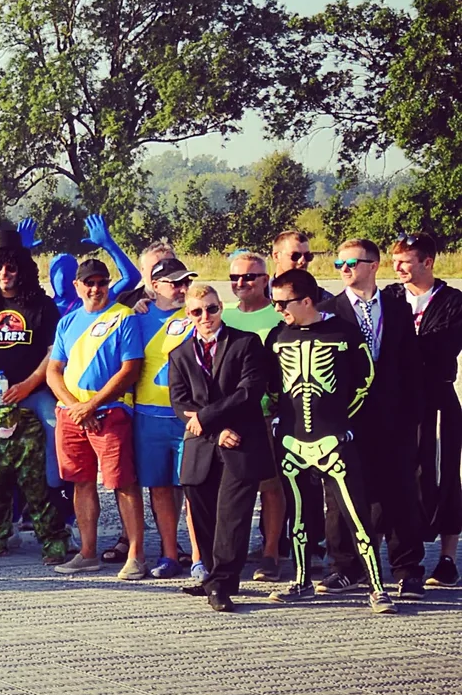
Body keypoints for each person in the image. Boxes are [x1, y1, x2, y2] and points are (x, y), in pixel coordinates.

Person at [264, 266, 393, 613]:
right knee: (299, 516)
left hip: (334, 440)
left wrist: (344, 425)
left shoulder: (344, 333)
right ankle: (301, 580)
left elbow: (365, 381)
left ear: (307, 300)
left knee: (356, 513)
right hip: (293, 441)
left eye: (283, 303)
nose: (278, 310)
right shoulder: (277, 338)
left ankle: (378, 587)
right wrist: (277, 420)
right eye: (273, 303)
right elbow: (272, 387)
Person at [323, 238, 424, 594]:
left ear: (373, 265)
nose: (345, 269)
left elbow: (410, 364)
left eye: (352, 263)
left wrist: (413, 415)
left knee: (400, 491)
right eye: (339, 264)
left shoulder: (397, 308)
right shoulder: (329, 310)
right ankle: (347, 567)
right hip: (346, 420)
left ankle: (407, 568)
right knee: (341, 495)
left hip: (394, 418)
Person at [167, 281, 268, 611]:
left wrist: (210, 418)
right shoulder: (180, 354)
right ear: (188, 314)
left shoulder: (246, 343)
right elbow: (180, 403)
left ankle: (222, 584)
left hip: (240, 442)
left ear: (220, 308)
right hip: (203, 446)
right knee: (203, 514)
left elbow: (248, 391)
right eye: (197, 311)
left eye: (211, 308)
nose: (205, 316)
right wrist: (214, 431)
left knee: (233, 517)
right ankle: (213, 574)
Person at [44, 258, 147, 578]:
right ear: (77, 286)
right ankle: (88, 553)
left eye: (102, 282)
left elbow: (130, 370)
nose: (96, 289)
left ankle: (136, 554)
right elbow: (53, 372)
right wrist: (75, 406)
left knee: (123, 484)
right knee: (81, 482)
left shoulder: (124, 317)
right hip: (71, 415)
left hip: (110, 413)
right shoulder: (67, 321)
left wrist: (92, 406)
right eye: (89, 283)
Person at [0, 246, 64, 561]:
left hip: (33, 392)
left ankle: (57, 490)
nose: (4, 275)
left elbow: (53, 352)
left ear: (22, 271)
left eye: (11, 269)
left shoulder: (42, 306)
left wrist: (29, 384)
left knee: (53, 425)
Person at [392, 234, 462, 585]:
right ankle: (393, 551)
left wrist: (406, 347)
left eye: (405, 261)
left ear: (427, 262)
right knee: (400, 474)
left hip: (438, 398)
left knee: (446, 473)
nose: (398, 268)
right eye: (395, 261)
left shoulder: (453, 301)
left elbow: (443, 347)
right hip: (398, 400)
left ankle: (448, 557)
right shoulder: (389, 297)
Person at [221, 247, 291, 575]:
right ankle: (230, 553)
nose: (241, 282)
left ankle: (272, 552)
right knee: (232, 487)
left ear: (265, 279)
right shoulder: (223, 316)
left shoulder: (279, 316)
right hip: (230, 415)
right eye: (235, 277)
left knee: (271, 484)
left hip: (269, 412)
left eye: (249, 276)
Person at [129, 257, 197, 579]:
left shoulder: (197, 314)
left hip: (187, 417)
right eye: (175, 283)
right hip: (147, 416)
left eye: (187, 282)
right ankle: (170, 555)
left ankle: (199, 557)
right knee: (159, 489)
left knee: (193, 488)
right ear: (155, 286)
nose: (183, 289)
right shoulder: (136, 317)